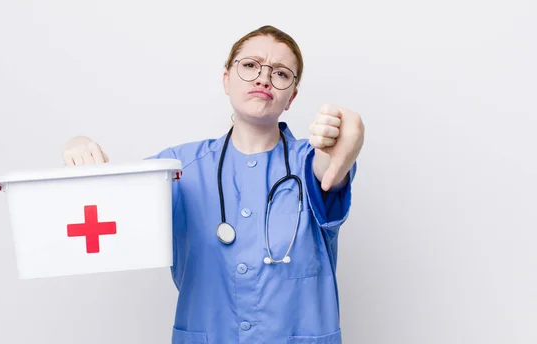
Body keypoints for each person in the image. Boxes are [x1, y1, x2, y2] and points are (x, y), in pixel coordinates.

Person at [63, 25, 364, 344]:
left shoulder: (310, 161)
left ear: (292, 96)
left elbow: (330, 168)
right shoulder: (177, 168)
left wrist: (343, 140)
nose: (263, 78)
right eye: (250, 65)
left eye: (280, 73)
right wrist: (80, 146)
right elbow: (111, 197)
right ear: (226, 80)